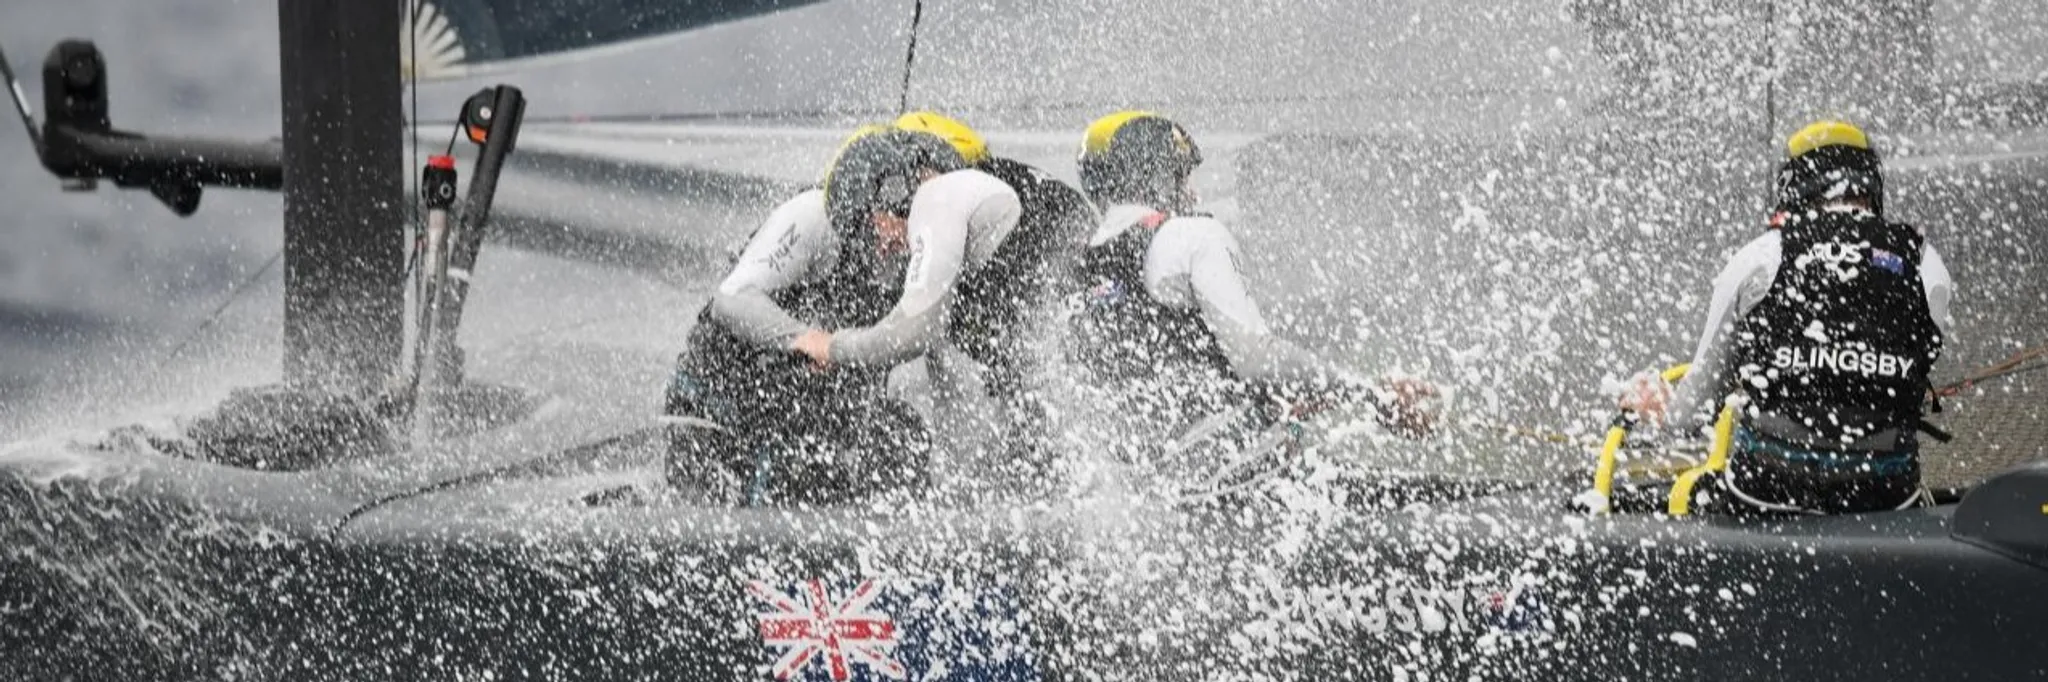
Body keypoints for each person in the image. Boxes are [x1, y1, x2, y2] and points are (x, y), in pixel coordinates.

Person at [1065, 110, 1435, 470]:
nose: (1192, 194)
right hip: (1225, 474)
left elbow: (1159, 382)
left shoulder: (1082, 263)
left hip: (1137, 478)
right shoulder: (1191, 235)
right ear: (1156, 174)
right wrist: (1374, 395)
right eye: (1182, 178)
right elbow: (1259, 360)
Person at [1620, 119, 1953, 515]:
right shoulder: (1924, 262)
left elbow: (1694, 411)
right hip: (1885, 494)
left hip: (1768, 490)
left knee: (1688, 491)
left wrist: (1659, 406)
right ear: (1871, 186)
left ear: (1791, 188)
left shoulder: (1759, 256)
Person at [660, 125, 949, 506]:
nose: (902, 234)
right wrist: (805, 340)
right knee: (798, 461)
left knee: (899, 435)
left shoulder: (914, 256)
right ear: (865, 201)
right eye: (896, 215)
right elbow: (732, 299)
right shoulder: (812, 217)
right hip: (718, 408)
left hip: (805, 414)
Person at [891, 111, 1097, 465]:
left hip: (1050, 285)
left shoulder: (959, 200)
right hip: (1074, 286)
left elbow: (932, 328)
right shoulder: (1003, 183)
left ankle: (1029, 458)